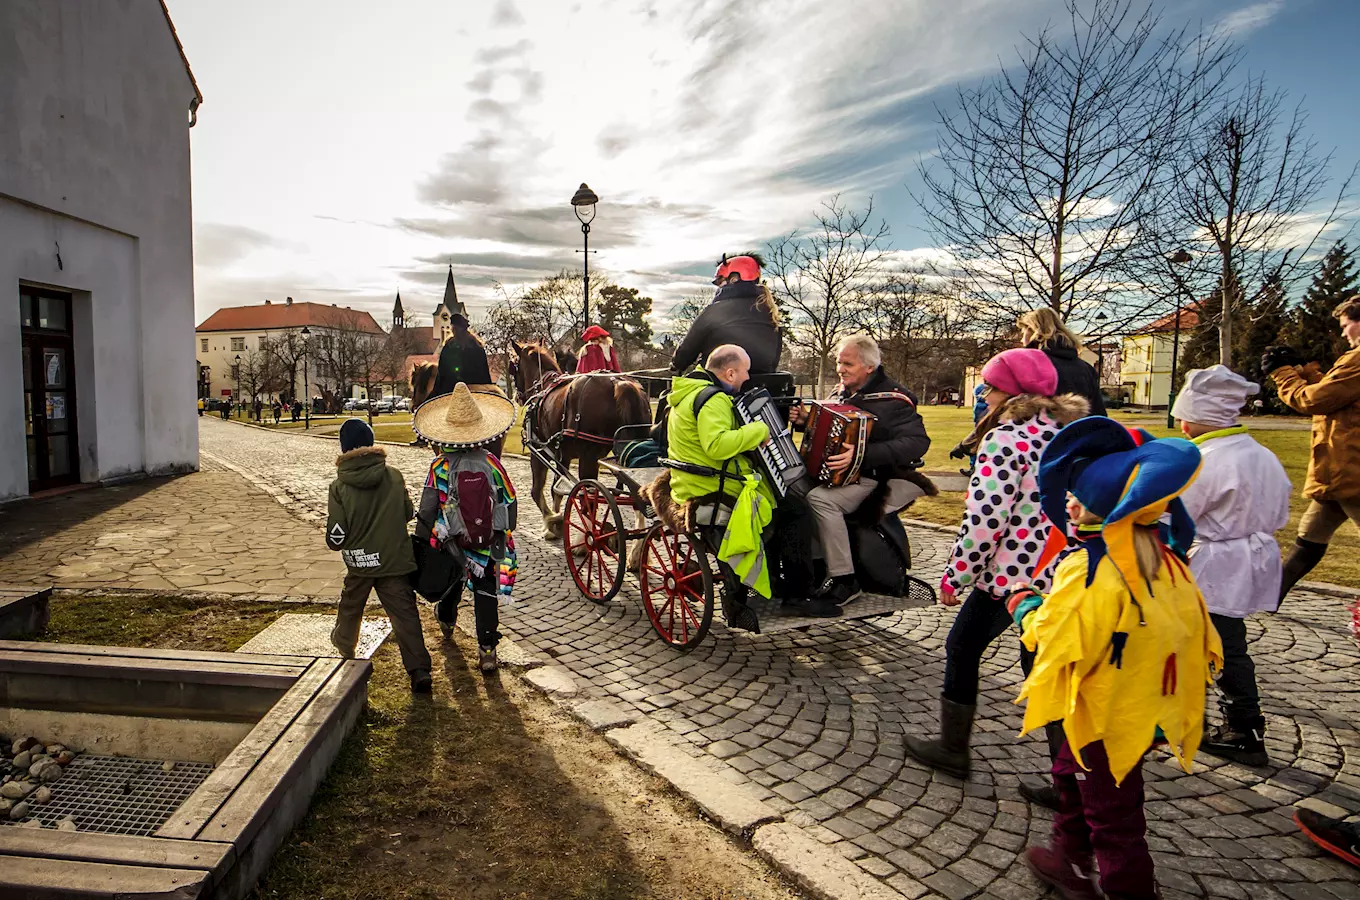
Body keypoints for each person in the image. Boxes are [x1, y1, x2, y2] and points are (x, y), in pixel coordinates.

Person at [1004, 416, 1221, 900]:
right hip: (1143, 704)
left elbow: (1058, 639)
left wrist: (1025, 607)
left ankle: (1128, 889)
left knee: (1115, 817)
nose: (1065, 502)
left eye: (1074, 495)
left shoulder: (1091, 570)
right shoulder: (1164, 557)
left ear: (1091, 508)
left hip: (1105, 713)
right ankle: (1067, 859)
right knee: (1069, 772)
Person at [903, 348, 1088, 780]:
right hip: (1059, 568)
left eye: (991, 385)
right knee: (1042, 667)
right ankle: (1071, 779)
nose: (983, 393)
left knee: (962, 648)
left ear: (1014, 392)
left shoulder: (1006, 439)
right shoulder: (1066, 434)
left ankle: (953, 748)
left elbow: (985, 520)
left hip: (1011, 576)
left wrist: (955, 576)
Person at [662, 344, 838, 618]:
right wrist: (759, 429)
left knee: (783, 504)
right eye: (744, 372)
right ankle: (796, 595)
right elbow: (717, 445)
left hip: (692, 482)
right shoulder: (715, 400)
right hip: (715, 487)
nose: (747, 378)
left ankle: (777, 583)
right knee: (796, 510)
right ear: (730, 373)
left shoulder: (687, 393)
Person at [1173, 366, 1290, 767]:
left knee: (1221, 643)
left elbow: (1180, 514)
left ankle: (1244, 728)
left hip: (1220, 559)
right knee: (1219, 640)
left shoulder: (1206, 459)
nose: (1180, 423)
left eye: (1183, 415)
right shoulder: (1261, 452)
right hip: (1251, 553)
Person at [789, 334, 932, 606]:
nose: (840, 369)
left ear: (869, 367)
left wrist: (862, 455)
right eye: (839, 363)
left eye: (848, 364)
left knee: (821, 500)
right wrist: (805, 421)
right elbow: (826, 431)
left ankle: (845, 579)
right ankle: (811, 569)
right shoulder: (840, 392)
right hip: (838, 476)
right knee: (792, 490)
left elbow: (918, 442)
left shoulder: (893, 400)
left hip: (878, 477)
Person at [412, 383, 519, 673]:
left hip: (453, 542)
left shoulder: (439, 467)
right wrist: (503, 533)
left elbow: (427, 509)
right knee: (485, 593)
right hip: (486, 542)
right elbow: (509, 499)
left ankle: (446, 618)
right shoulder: (491, 463)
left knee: (452, 582)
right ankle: (487, 649)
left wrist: (425, 542)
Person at [325, 418, 433, 694]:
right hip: (394, 559)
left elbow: (337, 532)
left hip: (361, 561)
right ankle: (418, 668)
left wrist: (336, 541)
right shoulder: (394, 475)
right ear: (372, 443)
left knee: (351, 605)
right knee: (404, 614)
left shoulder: (339, 486)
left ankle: (345, 645)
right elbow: (408, 512)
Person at [1263, 295, 1360, 601]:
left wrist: (1283, 373)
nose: (1344, 333)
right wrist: (1304, 371)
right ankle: (1268, 599)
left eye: (1347, 326)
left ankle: (1267, 598)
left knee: (1309, 539)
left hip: (1353, 472)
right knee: (1309, 536)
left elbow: (1313, 400)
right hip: (1339, 471)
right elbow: (1336, 397)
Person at [671, 253, 782, 376]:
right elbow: (772, 363)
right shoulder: (771, 315)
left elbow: (684, 355)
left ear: (734, 279)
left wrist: (676, 363)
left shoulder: (715, 311)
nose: (718, 288)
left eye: (720, 282)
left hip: (719, 387)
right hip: (763, 390)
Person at [1018, 308, 1107, 416]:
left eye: (1023, 333)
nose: (1021, 340)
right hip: (1079, 430)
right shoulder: (1087, 369)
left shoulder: (1028, 365)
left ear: (1032, 331)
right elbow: (1098, 413)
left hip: (1040, 430)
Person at [431, 313, 495, 397]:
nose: (453, 330)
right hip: (464, 391)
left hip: (462, 391)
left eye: (455, 328)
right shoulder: (475, 346)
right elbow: (442, 372)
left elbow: (442, 373)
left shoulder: (473, 348)